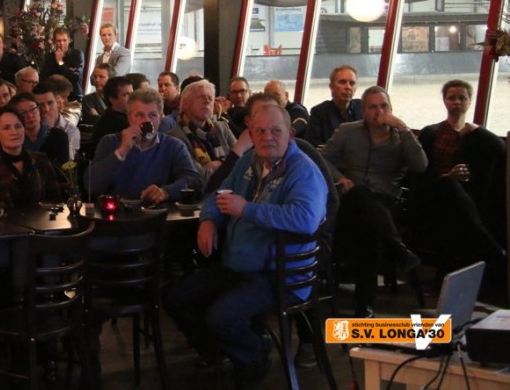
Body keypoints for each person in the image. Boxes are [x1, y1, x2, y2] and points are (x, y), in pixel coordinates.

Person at [164, 104, 327, 389]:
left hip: (279, 274)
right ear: (250, 134)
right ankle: (225, 352)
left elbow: (305, 219)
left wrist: (247, 210)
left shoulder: (303, 172)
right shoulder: (250, 160)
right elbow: (218, 194)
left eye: (275, 131)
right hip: (239, 266)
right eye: (260, 131)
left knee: (221, 316)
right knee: (175, 297)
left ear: (290, 134)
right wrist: (208, 221)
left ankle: (253, 355)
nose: (267, 137)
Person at [320, 86, 426, 317]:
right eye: (373, 107)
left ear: (391, 108)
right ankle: (398, 251)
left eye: (384, 106)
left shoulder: (401, 137)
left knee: (370, 231)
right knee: (360, 195)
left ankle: (364, 306)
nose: (379, 112)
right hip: (352, 201)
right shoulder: (348, 131)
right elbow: (321, 158)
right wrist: (339, 178)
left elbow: (420, 166)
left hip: (388, 203)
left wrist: (404, 129)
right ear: (364, 111)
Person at [412, 79, 506, 266]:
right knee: (450, 184)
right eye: (451, 98)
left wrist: (479, 129)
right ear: (445, 101)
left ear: (469, 102)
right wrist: (447, 177)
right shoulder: (431, 132)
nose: (456, 102)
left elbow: (501, 148)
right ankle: (493, 249)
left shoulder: (475, 135)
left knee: (459, 199)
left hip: (464, 198)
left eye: (462, 98)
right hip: (433, 193)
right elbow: (419, 172)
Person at [87, 88, 201, 204]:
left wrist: (166, 192)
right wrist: (121, 151)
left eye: (152, 115)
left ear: (160, 118)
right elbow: (91, 185)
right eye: (140, 115)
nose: (146, 120)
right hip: (118, 211)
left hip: (157, 211)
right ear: (129, 118)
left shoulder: (173, 145)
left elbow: (194, 181)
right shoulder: (110, 142)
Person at [0, 106, 60, 208]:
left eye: (18, 126)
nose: (14, 132)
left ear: (24, 129)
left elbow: (55, 200)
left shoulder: (40, 160)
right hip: (3, 218)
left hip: (41, 217)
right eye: (6, 128)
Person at [165, 79, 236, 188]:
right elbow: (198, 178)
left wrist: (211, 167)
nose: (207, 101)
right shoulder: (174, 137)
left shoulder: (222, 128)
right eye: (201, 97)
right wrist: (226, 165)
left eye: (210, 98)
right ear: (185, 103)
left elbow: (242, 165)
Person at [305, 64, 362, 147]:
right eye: (342, 82)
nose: (348, 87)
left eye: (352, 83)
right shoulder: (319, 112)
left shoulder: (363, 108)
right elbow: (312, 143)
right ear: (331, 87)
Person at [9, 93, 69, 166]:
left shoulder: (58, 136)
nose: (30, 115)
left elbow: (63, 169)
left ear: (39, 110)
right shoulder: (14, 139)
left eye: (33, 109)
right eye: (23, 113)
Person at [34, 82, 80, 161]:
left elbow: (66, 163)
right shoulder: (32, 126)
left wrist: (49, 129)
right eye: (41, 105)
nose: (46, 109)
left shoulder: (70, 131)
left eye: (50, 103)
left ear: (57, 103)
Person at [88, 76, 133, 153]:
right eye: (126, 95)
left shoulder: (109, 114)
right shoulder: (117, 122)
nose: (132, 98)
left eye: (132, 94)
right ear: (112, 99)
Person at [39, 27, 84, 102]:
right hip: (54, 97)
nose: (62, 43)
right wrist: (68, 71)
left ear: (69, 40)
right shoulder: (49, 57)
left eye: (64, 40)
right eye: (58, 41)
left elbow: (75, 78)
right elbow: (44, 79)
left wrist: (60, 62)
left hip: (73, 98)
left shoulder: (77, 54)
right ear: (54, 41)